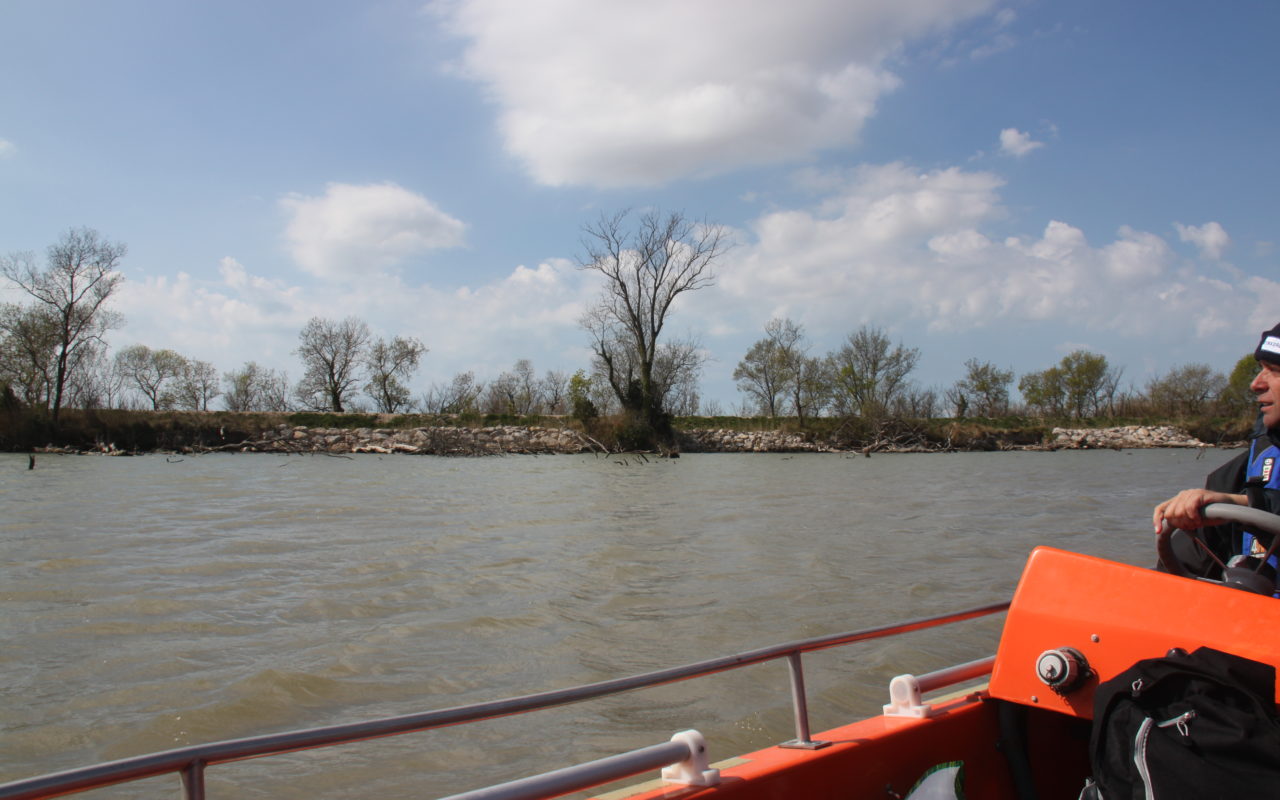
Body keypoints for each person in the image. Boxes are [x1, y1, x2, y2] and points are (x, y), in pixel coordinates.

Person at [1152, 322, 1280, 572]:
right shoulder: (1251, 464)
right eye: (1260, 369)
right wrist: (1193, 512)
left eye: (1273, 370)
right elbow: (1189, 560)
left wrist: (1241, 504)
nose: (1256, 384)